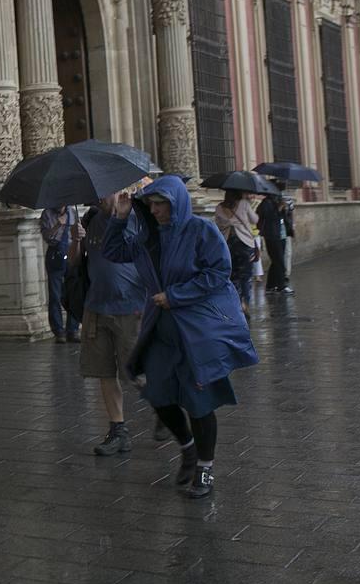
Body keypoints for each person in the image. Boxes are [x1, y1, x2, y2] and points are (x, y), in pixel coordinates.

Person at [104, 177, 258, 500]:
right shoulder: (147, 238)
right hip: (161, 331)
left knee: (199, 402)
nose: (156, 210)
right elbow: (112, 251)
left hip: (196, 332)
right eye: (152, 205)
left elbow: (218, 272)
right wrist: (120, 217)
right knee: (159, 395)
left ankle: (205, 466)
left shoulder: (201, 231)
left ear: (176, 203)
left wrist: (176, 295)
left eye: (162, 204)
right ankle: (187, 448)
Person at [68, 197, 145, 456]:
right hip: (96, 308)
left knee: (137, 373)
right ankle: (117, 430)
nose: (100, 198)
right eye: (96, 194)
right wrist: (76, 240)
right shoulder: (89, 220)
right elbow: (74, 263)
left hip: (131, 308)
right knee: (104, 372)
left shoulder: (137, 219)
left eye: (105, 192)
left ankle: (165, 407)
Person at [214, 189, 258, 308]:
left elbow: (217, 225)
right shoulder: (244, 204)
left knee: (233, 275)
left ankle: (237, 302)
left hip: (227, 245)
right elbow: (255, 220)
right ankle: (246, 303)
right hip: (244, 244)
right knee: (246, 275)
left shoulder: (219, 207)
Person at [41, 205, 80, 342]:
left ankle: (73, 329)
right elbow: (47, 237)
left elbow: (77, 235)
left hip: (71, 252)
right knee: (55, 295)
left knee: (73, 292)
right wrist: (58, 224)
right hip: (55, 254)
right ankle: (58, 331)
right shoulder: (47, 214)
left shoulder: (73, 212)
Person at [257, 188, 293, 294]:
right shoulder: (266, 203)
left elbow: (283, 217)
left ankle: (270, 286)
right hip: (272, 236)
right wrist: (279, 208)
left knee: (276, 261)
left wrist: (284, 209)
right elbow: (268, 218)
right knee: (280, 261)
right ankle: (282, 286)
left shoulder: (277, 201)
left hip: (281, 235)